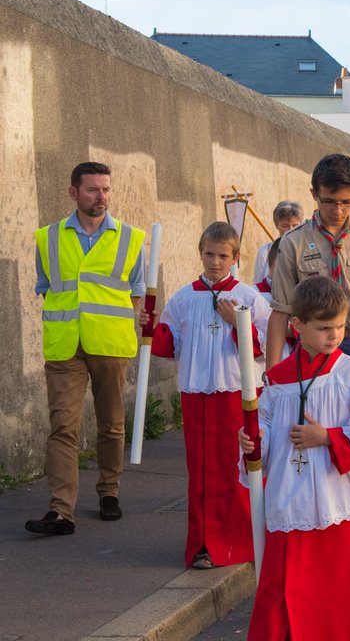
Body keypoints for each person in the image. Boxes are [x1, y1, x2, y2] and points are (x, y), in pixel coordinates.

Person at [239, 276, 350, 640]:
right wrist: (254, 441)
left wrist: (327, 438)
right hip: (294, 496)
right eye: (323, 328)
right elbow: (265, 429)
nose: (334, 336)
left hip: (344, 495)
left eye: (339, 326)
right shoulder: (278, 380)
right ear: (297, 325)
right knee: (289, 588)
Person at [28, 162, 146, 536]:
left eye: (106, 189)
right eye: (93, 189)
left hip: (110, 342)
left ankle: (109, 491)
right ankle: (61, 510)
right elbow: (46, 287)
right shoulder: (47, 237)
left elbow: (137, 292)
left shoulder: (131, 238)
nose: (102, 196)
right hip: (65, 344)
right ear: (73, 192)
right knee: (63, 426)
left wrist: (132, 320)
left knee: (111, 424)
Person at [151, 221, 271, 568]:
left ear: (236, 257)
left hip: (236, 393)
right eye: (209, 254)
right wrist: (149, 326)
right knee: (201, 469)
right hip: (196, 395)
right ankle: (204, 543)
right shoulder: (184, 297)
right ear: (200, 253)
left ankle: (241, 540)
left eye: (223, 256)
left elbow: (266, 344)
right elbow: (170, 343)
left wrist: (238, 322)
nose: (215, 262)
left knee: (235, 466)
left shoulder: (249, 297)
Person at [267, 154, 350, 393]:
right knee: (312, 413)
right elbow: (280, 311)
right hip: (312, 347)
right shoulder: (293, 242)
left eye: (347, 202)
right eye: (329, 201)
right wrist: (272, 378)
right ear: (314, 194)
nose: (338, 210)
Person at [252, 201, 304, 283]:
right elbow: (258, 285)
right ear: (277, 225)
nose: (290, 230)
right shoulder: (265, 252)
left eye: (295, 226)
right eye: (285, 226)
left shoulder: (307, 250)